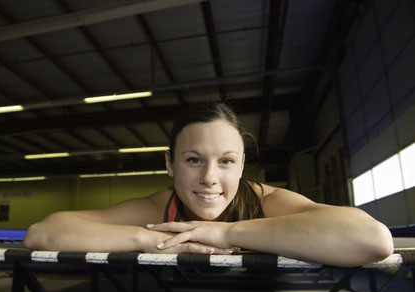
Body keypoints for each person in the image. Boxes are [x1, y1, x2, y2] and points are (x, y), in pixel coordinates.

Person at [24, 103, 393, 267]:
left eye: (226, 161)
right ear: (170, 163)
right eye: (193, 160)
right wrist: (152, 240)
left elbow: (372, 239)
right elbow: (44, 232)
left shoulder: (269, 201)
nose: (209, 178)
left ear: (242, 165)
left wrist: (228, 233)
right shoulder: (160, 210)